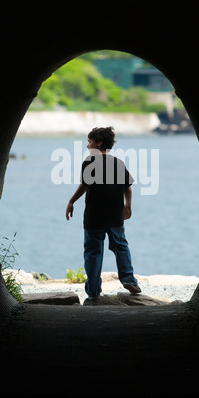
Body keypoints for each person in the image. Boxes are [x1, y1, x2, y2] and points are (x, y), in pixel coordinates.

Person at [65, 126, 141, 300]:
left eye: (89, 142)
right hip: (115, 214)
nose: (87, 146)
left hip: (94, 215)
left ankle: (93, 291)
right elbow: (128, 188)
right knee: (120, 246)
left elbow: (85, 185)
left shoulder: (89, 162)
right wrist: (128, 205)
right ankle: (128, 279)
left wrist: (71, 201)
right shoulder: (118, 162)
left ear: (98, 143)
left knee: (93, 252)